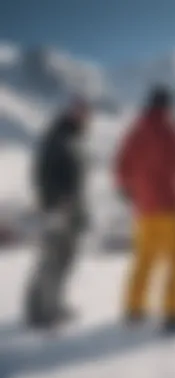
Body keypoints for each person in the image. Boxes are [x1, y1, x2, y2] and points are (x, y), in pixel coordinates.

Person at [115, 85, 175, 334]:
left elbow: (120, 165)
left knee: (145, 258)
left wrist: (127, 190)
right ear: (169, 107)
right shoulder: (169, 129)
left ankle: (133, 308)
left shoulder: (135, 131)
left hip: (144, 209)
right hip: (169, 206)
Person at [25, 97, 91, 328]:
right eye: (79, 111)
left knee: (64, 259)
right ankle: (41, 311)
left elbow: (75, 180)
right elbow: (44, 174)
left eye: (86, 113)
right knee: (52, 258)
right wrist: (55, 203)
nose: (84, 117)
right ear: (70, 112)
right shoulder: (59, 137)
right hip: (57, 209)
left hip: (69, 209)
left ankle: (53, 304)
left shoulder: (73, 138)